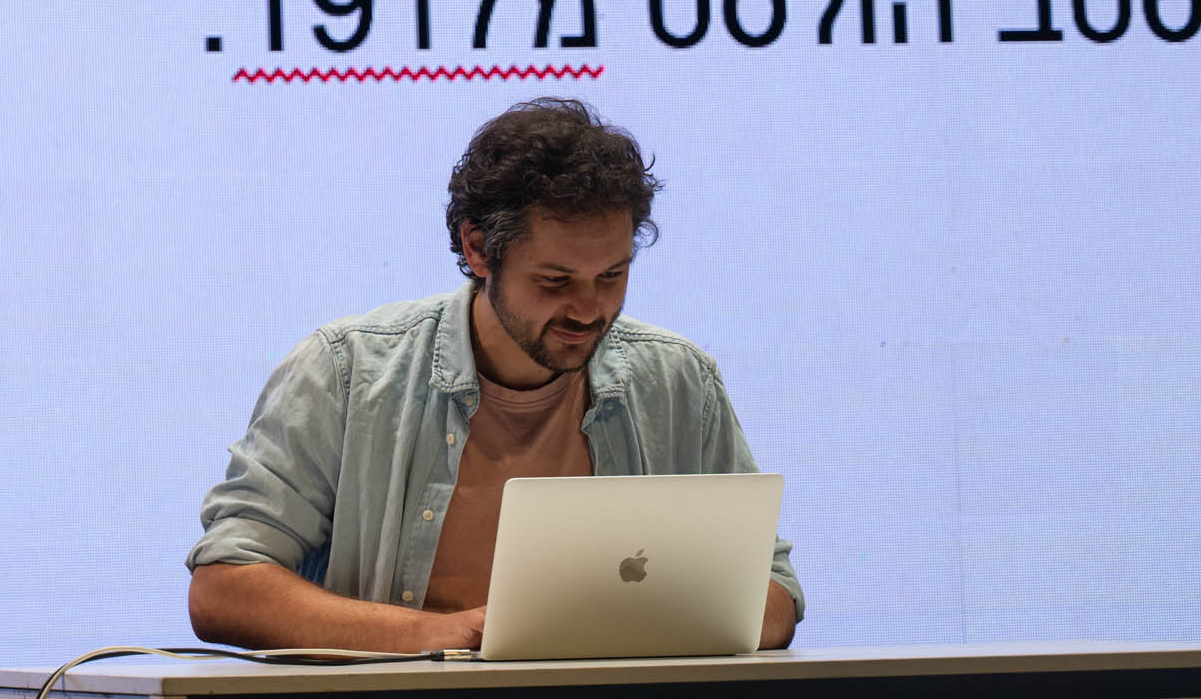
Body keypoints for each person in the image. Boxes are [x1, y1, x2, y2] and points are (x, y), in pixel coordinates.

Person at [186, 99, 802, 653]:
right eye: (555, 281)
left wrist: (636, 631)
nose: (589, 310)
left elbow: (775, 596)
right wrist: (430, 635)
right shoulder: (346, 372)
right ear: (479, 249)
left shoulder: (678, 381)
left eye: (612, 276)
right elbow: (224, 590)